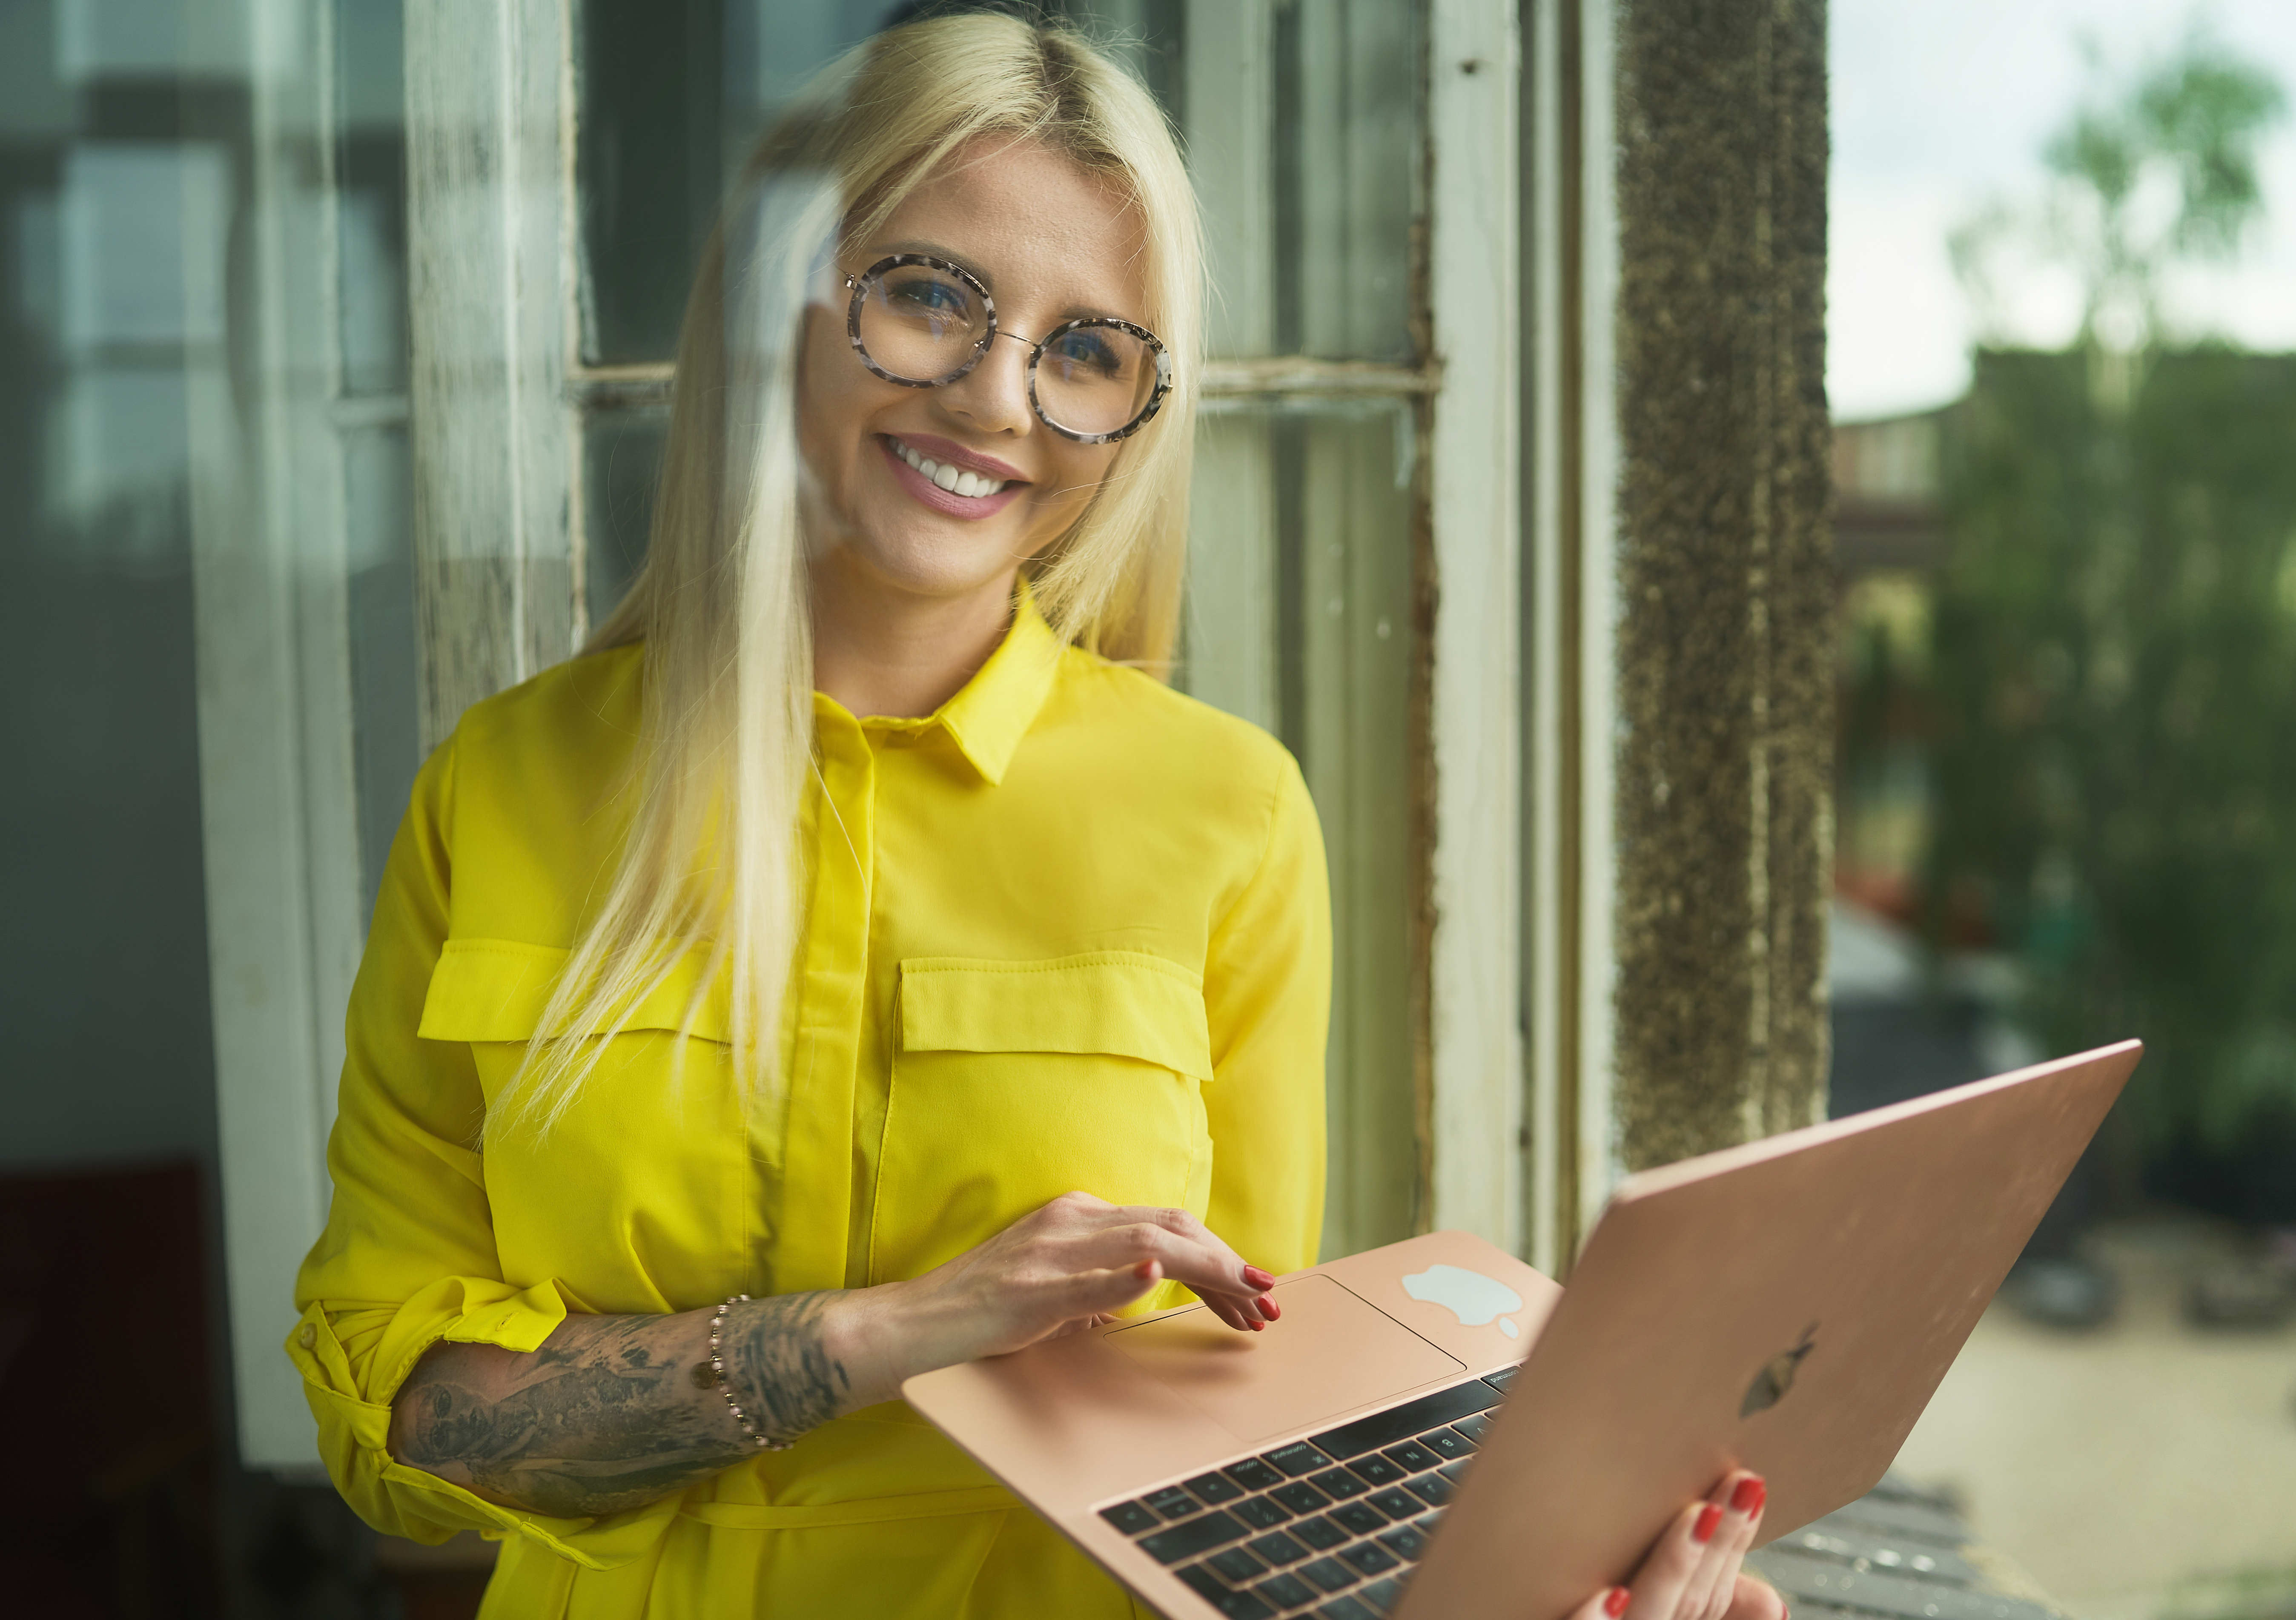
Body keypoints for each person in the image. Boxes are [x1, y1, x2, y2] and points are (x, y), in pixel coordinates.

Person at [290, 11, 1781, 1618]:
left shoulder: (1228, 815)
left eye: (1086, 352)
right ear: (778, 300)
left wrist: (1546, 1578)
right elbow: (396, 1420)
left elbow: (1240, 1439)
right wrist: (888, 1333)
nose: (999, 398)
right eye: (931, 296)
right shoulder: (507, 782)